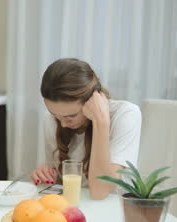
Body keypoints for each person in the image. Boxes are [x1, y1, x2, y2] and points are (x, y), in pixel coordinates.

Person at [31, 58, 141, 200]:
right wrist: (45, 174)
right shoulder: (51, 119)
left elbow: (100, 192)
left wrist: (100, 121)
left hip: (118, 208)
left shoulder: (126, 114)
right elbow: (60, 183)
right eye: (56, 115)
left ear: (92, 100)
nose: (63, 124)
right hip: (77, 206)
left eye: (71, 116)